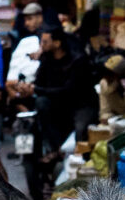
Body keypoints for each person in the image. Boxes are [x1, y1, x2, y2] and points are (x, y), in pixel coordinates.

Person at [33, 19, 99, 175]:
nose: (42, 46)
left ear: (57, 43)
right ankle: (54, 150)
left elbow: (69, 90)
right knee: (40, 105)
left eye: (45, 42)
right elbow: (39, 83)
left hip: (81, 104)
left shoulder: (77, 59)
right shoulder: (46, 59)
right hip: (58, 104)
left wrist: (36, 89)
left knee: (81, 131)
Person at [6, 0, 45, 92]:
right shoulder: (26, 38)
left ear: (40, 17)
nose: (26, 23)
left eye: (30, 19)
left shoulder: (46, 36)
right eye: (25, 20)